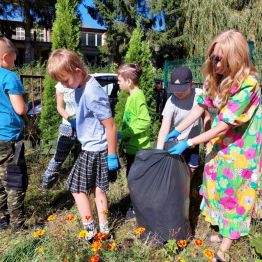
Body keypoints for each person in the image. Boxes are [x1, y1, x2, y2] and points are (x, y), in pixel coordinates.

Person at [165, 30, 261, 261]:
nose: (213, 62)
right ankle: (223, 230)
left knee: (234, 190)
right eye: (212, 57)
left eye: (219, 58)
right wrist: (178, 130)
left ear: (235, 57)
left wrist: (188, 141)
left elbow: (224, 125)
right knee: (216, 184)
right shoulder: (215, 77)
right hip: (220, 143)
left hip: (240, 146)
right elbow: (201, 107)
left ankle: (225, 248)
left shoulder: (248, 84)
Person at [47, 48, 119, 241]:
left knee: (76, 188)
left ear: (78, 71)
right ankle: (104, 231)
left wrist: (112, 155)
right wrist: (77, 122)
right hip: (94, 146)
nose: (64, 85)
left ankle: (90, 232)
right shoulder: (81, 86)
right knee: (98, 188)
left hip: (95, 149)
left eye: (65, 80)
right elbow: (91, 117)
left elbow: (110, 125)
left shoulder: (91, 92)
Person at [157, 66, 211, 176]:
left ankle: (187, 191)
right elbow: (164, 128)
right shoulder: (171, 102)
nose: (177, 92)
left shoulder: (199, 95)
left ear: (191, 85)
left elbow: (206, 117)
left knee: (191, 169)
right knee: (176, 172)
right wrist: (158, 151)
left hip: (193, 142)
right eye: (175, 89)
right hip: (175, 144)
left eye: (181, 89)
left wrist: (207, 142)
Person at [0, 37, 28, 231]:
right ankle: (17, 225)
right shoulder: (9, 77)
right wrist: (27, 107)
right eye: (14, 58)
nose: (14, 63)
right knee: (14, 180)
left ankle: (1, 219)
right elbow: (19, 109)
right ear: (5, 57)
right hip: (9, 137)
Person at [117, 63, 151, 218]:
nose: (118, 82)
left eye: (119, 80)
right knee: (132, 178)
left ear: (129, 81)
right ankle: (136, 205)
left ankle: (139, 210)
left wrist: (124, 133)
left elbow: (145, 121)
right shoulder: (132, 96)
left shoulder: (138, 96)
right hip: (132, 148)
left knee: (136, 180)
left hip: (138, 149)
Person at [41, 82, 79, 189]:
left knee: (81, 156)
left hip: (85, 127)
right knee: (58, 157)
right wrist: (70, 119)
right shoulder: (60, 85)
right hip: (68, 126)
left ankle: (79, 185)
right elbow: (59, 107)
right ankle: (45, 185)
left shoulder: (82, 82)